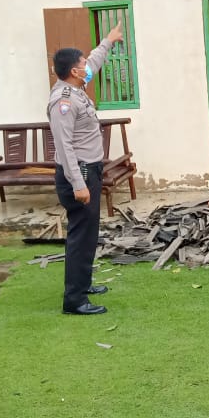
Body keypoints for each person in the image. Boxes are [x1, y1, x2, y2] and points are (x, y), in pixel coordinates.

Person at [48, 21, 123, 315]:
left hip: (89, 169)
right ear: (73, 72)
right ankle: (74, 300)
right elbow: (64, 146)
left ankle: (83, 283)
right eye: (81, 65)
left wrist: (109, 40)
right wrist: (78, 183)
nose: (86, 67)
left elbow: (94, 61)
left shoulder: (77, 86)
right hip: (77, 173)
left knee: (89, 231)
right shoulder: (63, 102)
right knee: (81, 234)